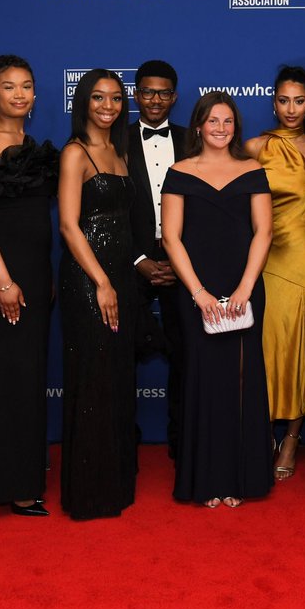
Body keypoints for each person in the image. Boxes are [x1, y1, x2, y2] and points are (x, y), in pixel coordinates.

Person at [162, 92, 274, 508]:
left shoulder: (252, 170)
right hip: (197, 291)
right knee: (204, 381)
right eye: (213, 121)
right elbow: (171, 237)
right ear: (198, 126)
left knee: (241, 383)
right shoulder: (179, 172)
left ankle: (241, 479)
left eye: (228, 122)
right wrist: (198, 292)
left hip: (244, 287)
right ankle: (206, 480)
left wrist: (245, 288)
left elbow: (263, 232)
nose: (221, 128)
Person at [0, 55, 58, 517]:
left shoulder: (26, 140)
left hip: (35, 272)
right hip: (4, 274)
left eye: (26, 86)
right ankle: (11, 483)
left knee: (28, 375)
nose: (18, 94)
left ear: (35, 94)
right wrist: (3, 280)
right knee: (8, 375)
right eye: (8, 87)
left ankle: (23, 473)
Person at [57, 69, 139, 520]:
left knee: (114, 377)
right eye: (98, 98)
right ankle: (89, 491)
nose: (107, 106)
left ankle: (114, 480)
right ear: (83, 103)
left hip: (120, 278)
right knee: (92, 376)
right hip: (89, 281)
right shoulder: (76, 153)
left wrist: (118, 279)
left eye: (114, 98)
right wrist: (102, 282)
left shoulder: (117, 149)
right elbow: (69, 225)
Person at [244, 66, 305, 480]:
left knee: (300, 347)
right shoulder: (253, 147)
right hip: (260, 257)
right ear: (273, 101)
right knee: (262, 345)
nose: (291, 108)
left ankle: (293, 436)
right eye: (283, 100)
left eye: (299, 100)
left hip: (301, 257)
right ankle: (259, 430)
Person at [126, 60, 187, 459]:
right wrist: (138, 259)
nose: (155, 100)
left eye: (163, 92)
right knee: (119, 358)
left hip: (184, 265)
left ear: (174, 97)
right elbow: (101, 213)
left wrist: (182, 261)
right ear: (136, 95)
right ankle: (121, 442)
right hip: (130, 264)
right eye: (148, 92)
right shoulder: (114, 143)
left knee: (187, 356)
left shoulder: (194, 140)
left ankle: (184, 439)